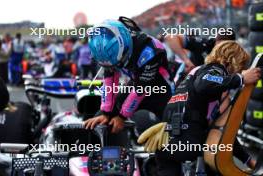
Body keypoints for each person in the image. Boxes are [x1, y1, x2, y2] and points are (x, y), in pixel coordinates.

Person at [154, 41, 261, 176]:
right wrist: (240, 79)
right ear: (232, 61)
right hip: (187, 141)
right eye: (240, 67)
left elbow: (221, 133)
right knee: (216, 165)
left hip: (164, 143)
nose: (239, 71)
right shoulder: (216, 69)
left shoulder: (194, 73)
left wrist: (247, 159)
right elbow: (203, 85)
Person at [84, 17, 174, 133]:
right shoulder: (109, 52)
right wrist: (106, 113)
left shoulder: (150, 49)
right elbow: (109, 80)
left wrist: (122, 117)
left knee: (169, 129)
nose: (114, 66)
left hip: (161, 90)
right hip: (136, 83)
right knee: (101, 119)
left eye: (117, 63)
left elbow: (141, 89)